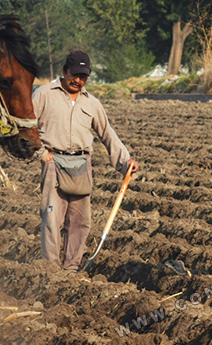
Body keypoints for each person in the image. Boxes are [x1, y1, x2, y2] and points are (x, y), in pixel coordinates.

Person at [32, 50, 139, 271]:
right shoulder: (44, 94)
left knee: (80, 222)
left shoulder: (92, 103)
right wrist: (42, 154)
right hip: (54, 163)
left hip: (82, 165)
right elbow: (27, 127)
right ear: (64, 72)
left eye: (83, 77)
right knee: (52, 221)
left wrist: (125, 162)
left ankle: (71, 269)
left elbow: (107, 134)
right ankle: (50, 271)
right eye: (74, 75)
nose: (78, 81)